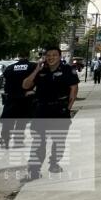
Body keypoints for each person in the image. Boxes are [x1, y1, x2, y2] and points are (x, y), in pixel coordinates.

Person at [22, 46, 80, 178]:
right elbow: (25, 85)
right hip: (41, 110)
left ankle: (54, 163)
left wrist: (68, 108)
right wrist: (36, 70)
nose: (51, 57)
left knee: (58, 140)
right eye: (48, 55)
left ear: (59, 57)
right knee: (38, 141)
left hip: (59, 110)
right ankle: (34, 170)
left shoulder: (67, 70)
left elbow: (74, 88)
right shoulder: (40, 70)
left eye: (54, 55)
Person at [0, 54, 37, 149]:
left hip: (11, 97)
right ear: (28, 56)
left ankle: (4, 141)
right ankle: (18, 141)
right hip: (26, 97)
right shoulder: (33, 66)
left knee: (8, 121)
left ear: (18, 56)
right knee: (22, 120)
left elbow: (6, 82)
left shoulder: (10, 67)